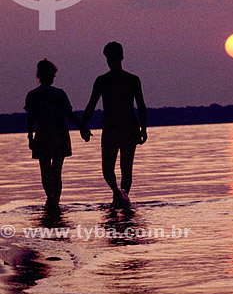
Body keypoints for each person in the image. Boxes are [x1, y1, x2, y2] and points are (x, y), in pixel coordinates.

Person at [80, 42, 147, 206]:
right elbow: (91, 105)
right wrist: (83, 125)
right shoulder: (103, 81)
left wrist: (144, 128)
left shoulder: (131, 80)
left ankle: (120, 196)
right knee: (110, 169)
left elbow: (141, 105)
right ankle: (119, 194)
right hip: (116, 128)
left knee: (123, 168)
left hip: (125, 128)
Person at [25, 59, 83, 206]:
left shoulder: (32, 95)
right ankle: (54, 199)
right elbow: (69, 114)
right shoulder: (59, 94)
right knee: (56, 170)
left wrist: (30, 136)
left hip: (43, 134)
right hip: (59, 133)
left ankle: (51, 199)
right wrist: (82, 127)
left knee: (45, 170)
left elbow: (31, 118)